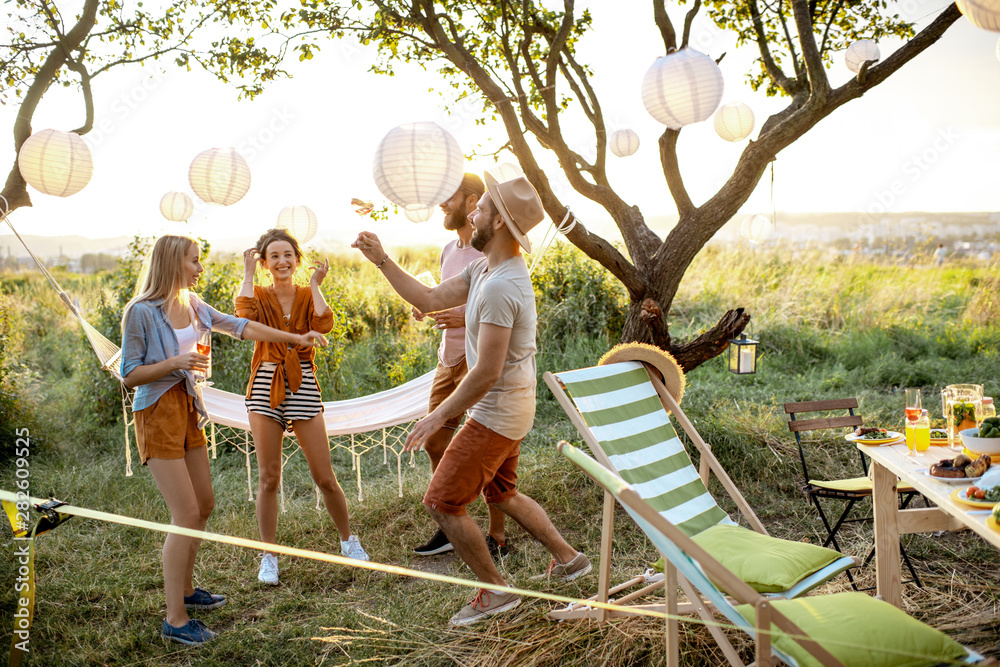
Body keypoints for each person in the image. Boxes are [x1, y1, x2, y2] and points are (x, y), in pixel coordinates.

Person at [352, 172, 591, 626]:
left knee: (441, 502)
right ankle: (569, 559)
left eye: (482, 208)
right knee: (502, 493)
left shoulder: (503, 286)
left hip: (497, 411)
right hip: (509, 407)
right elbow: (426, 296)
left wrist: (438, 416)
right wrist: (382, 260)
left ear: (498, 221)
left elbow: (486, 372)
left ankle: (495, 592)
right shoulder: (485, 269)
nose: (474, 211)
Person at [121, 235, 328, 645]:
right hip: (157, 413)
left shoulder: (194, 304)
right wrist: (175, 363)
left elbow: (241, 326)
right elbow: (129, 373)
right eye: (194, 261)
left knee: (205, 504)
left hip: (188, 407)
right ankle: (175, 620)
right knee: (185, 513)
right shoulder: (141, 312)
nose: (200, 268)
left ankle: (186, 590)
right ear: (172, 263)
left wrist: (295, 338)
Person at [237, 229, 369, 587]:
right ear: (264, 262)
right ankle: (269, 556)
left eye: (287, 255)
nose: (281, 261)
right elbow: (243, 315)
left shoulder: (307, 294)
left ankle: (348, 540)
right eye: (273, 256)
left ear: (296, 259)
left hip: (303, 384)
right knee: (268, 478)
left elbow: (325, 324)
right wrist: (247, 274)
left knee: (324, 476)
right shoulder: (259, 293)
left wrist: (316, 283)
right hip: (265, 385)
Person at [411, 173, 509, 561]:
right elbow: (442, 297)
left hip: (476, 358)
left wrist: (461, 315)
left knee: (488, 450)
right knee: (436, 440)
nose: (441, 204)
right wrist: (429, 308)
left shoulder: (489, 253)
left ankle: (497, 535)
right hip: (447, 358)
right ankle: (451, 522)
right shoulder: (449, 250)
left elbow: (497, 305)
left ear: (472, 202)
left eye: (447, 197)